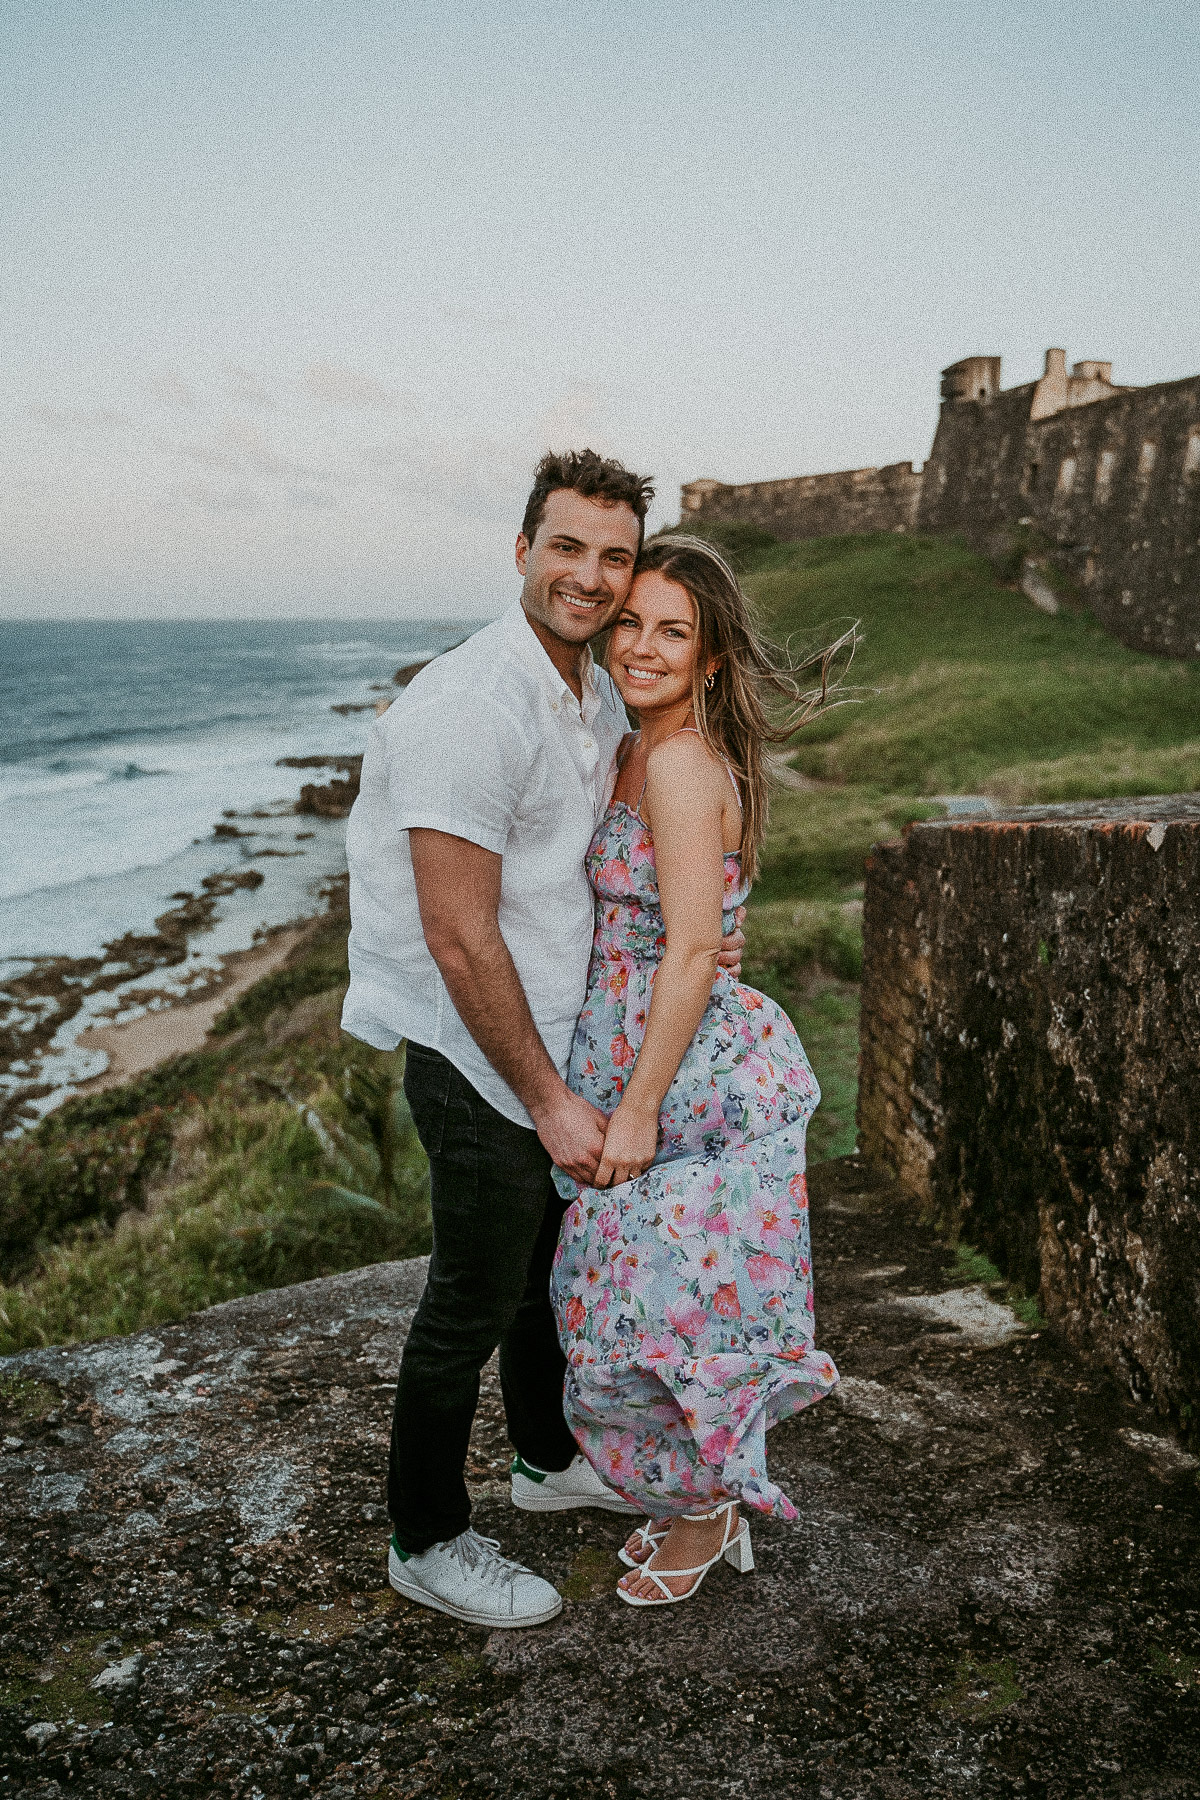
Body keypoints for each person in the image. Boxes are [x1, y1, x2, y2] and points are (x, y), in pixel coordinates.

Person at [340, 452, 746, 1628]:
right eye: (566, 547)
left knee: (535, 1288)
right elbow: (460, 941)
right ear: (522, 550)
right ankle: (425, 1537)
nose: (589, 575)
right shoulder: (472, 704)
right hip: (480, 1054)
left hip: (560, 1038)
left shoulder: (586, 688)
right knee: (470, 1298)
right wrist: (553, 1100)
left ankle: (545, 1460)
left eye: (612, 556)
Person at [550, 533, 844, 1607]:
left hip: (683, 1069)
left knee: (675, 1303)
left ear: (711, 658)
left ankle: (713, 1509)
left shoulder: (673, 762)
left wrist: (636, 1108)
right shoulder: (627, 744)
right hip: (643, 1039)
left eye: (675, 631)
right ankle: (689, 1494)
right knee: (634, 1292)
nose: (643, 644)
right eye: (631, 621)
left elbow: (684, 950)